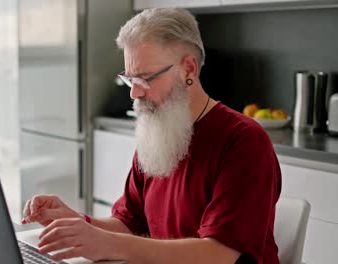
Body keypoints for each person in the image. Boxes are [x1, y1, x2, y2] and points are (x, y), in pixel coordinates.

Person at [22, 8, 281, 264]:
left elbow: (219, 255)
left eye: (145, 79)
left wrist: (108, 244)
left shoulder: (244, 141)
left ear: (188, 69)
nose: (134, 93)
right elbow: (130, 222)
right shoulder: (162, 132)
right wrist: (77, 223)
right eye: (129, 79)